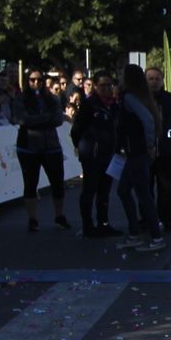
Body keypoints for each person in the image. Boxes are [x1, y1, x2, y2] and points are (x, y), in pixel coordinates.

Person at [114, 64, 165, 252]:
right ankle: (136, 233)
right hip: (136, 151)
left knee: (141, 194)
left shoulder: (129, 98)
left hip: (137, 151)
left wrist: (149, 144)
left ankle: (155, 236)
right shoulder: (139, 97)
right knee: (125, 190)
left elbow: (147, 120)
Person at [16, 70, 70, 232]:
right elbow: (22, 119)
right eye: (32, 80)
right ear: (27, 81)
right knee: (30, 183)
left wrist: (36, 120)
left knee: (57, 182)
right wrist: (45, 119)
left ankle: (59, 215)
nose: (36, 83)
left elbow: (58, 120)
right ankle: (32, 219)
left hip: (51, 146)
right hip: (28, 146)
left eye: (39, 80)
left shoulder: (52, 99)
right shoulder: (21, 99)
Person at [69, 72, 120, 238]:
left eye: (109, 85)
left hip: (109, 153)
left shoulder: (113, 105)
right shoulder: (89, 104)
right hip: (92, 152)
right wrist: (82, 146)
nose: (107, 89)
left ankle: (103, 222)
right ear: (96, 87)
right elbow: (76, 129)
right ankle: (87, 225)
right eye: (103, 85)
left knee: (105, 189)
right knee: (90, 188)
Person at [148, 67, 171, 233]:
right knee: (146, 188)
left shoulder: (169, 98)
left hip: (165, 150)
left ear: (162, 80)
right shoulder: (140, 99)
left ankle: (168, 220)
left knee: (165, 188)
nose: (154, 82)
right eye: (150, 79)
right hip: (145, 151)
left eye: (157, 79)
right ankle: (147, 220)